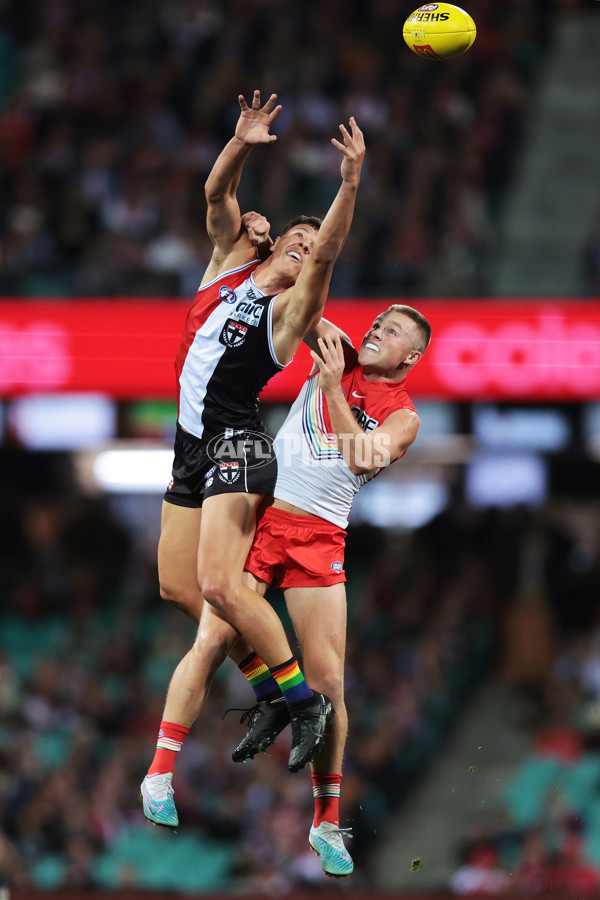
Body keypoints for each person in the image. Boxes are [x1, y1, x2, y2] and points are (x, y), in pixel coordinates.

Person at [145, 302, 431, 879]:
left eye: (392, 331)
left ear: (413, 356)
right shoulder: (339, 352)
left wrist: (329, 389)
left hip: (322, 536)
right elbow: (299, 303)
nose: (376, 332)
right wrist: (273, 250)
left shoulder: (404, 416)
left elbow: (362, 455)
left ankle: (326, 821)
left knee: (330, 684)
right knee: (211, 633)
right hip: (265, 517)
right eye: (377, 324)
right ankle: (159, 773)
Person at [141, 90, 365, 823]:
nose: (302, 247)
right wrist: (241, 142)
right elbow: (215, 193)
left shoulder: (287, 314)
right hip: (188, 450)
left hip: (238, 447)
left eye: (308, 247)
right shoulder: (225, 270)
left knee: (224, 588)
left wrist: (348, 186)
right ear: (267, 245)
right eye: (292, 240)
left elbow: (327, 248)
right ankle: (272, 693)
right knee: (179, 589)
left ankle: (303, 704)